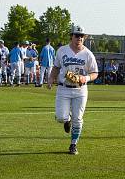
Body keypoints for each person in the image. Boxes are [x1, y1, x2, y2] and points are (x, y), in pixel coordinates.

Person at [47, 25, 98, 155]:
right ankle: (66, 120)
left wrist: (85, 78)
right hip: (63, 89)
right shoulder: (62, 50)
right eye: (76, 35)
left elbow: (95, 73)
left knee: (78, 118)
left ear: (84, 38)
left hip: (80, 90)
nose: (79, 38)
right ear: (71, 36)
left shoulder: (88, 54)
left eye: (81, 36)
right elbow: (56, 67)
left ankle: (73, 144)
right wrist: (51, 78)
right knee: (60, 117)